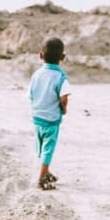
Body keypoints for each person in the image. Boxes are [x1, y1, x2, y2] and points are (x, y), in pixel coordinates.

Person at [29, 38, 71, 191]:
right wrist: (64, 109)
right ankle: (41, 177)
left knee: (40, 146)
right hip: (52, 119)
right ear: (63, 57)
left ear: (40, 55)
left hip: (37, 117)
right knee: (49, 148)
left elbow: (31, 95)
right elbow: (64, 98)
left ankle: (45, 170)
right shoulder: (61, 77)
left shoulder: (36, 75)